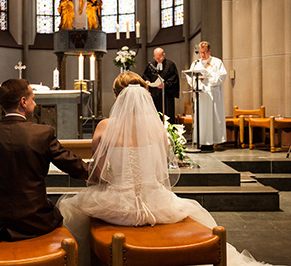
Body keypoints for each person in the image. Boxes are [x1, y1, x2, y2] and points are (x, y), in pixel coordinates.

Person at [58, 72, 271, 266]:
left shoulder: (105, 126)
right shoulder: (158, 128)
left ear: (117, 97)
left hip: (118, 210)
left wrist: (112, 182)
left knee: (71, 211)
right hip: (157, 206)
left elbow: (99, 174)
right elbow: (161, 172)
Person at [0, 78, 88, 242]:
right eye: (33, 98)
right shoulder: (43, 133)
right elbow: (72, 165)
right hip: (35, 222)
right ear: (23, 102)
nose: (35, 103)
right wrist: (98, 173)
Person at [187, 41, 227, 152]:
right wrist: (196, 81)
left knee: (211, 118)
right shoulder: (196, 63)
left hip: (212, 95)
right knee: (201, 119)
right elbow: (190, 77)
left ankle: (210, 143)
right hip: (201, 95)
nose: (202, 55)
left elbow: (222, 77)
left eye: (204, 52)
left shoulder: (216, 62)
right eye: (200, 52)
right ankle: (200, 141)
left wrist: (208, 76)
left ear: (209, 51)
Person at [142, 47, 180, 124]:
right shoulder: (151, 65)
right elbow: (145, 76)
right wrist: (147, 81)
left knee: (167, 116)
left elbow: (174, 79)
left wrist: (164, 85)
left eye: (160, 57)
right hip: (154, 95)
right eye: (156, 58)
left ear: (164, 55)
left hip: (167, 95)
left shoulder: (170, 65)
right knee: (155, 115)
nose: (158, 60)